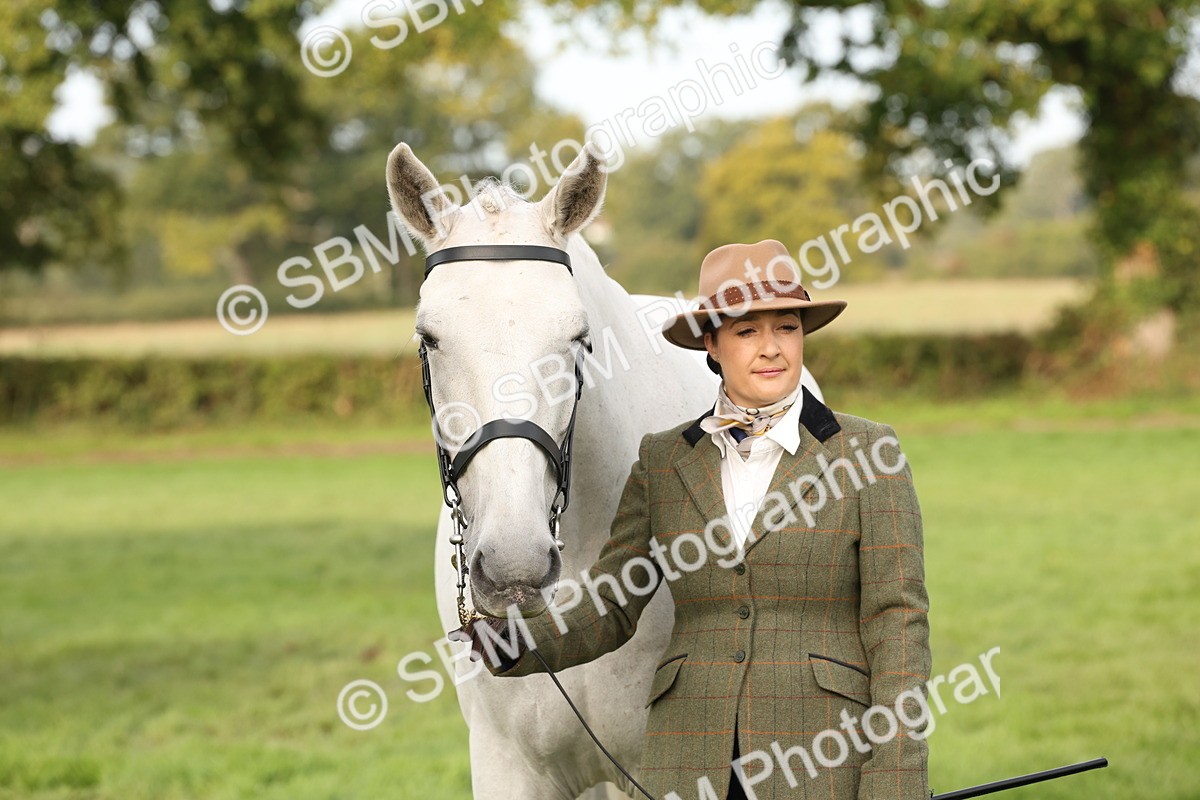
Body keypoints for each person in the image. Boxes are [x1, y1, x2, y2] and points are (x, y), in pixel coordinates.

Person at [458, 239, 932, 800]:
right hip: (688, 761)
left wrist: (897, 776)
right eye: (747, 331)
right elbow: (612, 603)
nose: (772, 349)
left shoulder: (867, 452)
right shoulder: (664, 460)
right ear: (711, 343)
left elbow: (897, 620)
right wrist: (514, 642)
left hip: (823, 757)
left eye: (786, 328)